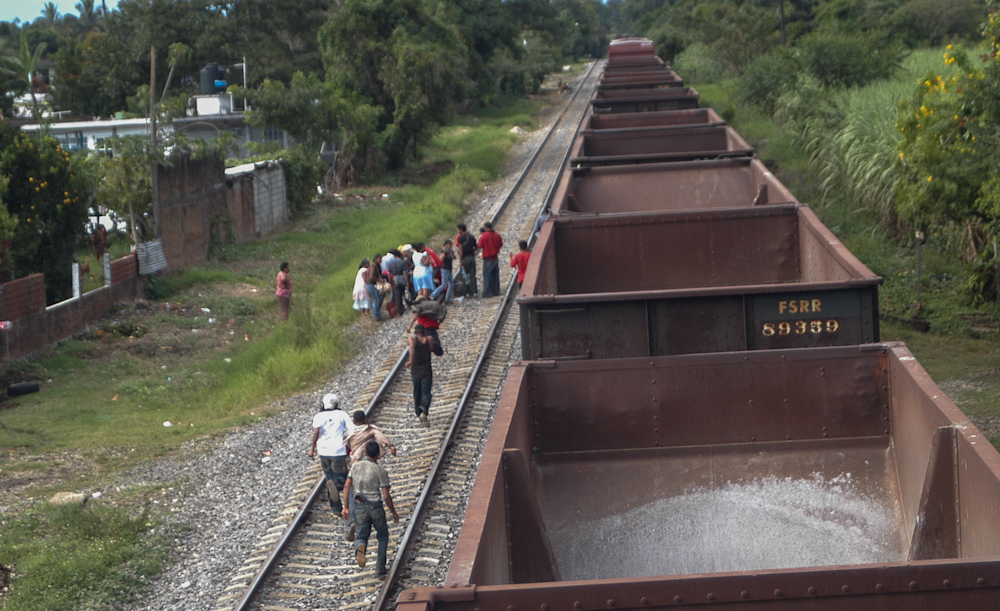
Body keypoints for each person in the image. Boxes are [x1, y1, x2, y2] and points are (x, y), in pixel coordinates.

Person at [342, 440, 399, 578]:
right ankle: (379, 569)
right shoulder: (380, 470)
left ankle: (360, 546)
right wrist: (393, 512)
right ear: (378, 454)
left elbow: (347, 486)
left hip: (359, 505)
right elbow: (386, 495)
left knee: (361, 536)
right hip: (375, 506)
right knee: (383, 536)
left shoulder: (355, 466)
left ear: (365, 452)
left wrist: (346, 507)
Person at [308, 393, 353, 518]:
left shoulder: (318, 416)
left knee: (329, 478)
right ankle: (343, 494)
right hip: (338, 451)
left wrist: (312, 449)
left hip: (323, 452)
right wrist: (348, 442)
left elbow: (316, 432)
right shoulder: (342, 414)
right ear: (336, 403)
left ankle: (335, 509)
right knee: (344, 478)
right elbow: (352, 430)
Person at [405, 323, 434, 427]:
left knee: (417, 392)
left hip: (415, 372)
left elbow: (412, 347)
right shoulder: (429, 339)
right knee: (426, 392)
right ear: (424, 332)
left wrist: (410, 361)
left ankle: (418, 413)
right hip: (426, 371)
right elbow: (430, 348)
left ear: (415, 332)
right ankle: (423, 411)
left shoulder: (412, 340)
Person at [477, 221, 503, 297]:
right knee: (495, 275)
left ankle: (487, 292)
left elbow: (479, 245)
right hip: (495, 257)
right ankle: (496, 291)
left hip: (488, 258)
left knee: (487, 275)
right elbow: (500, 244)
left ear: (486, 227)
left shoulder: (484, 235)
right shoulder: (497, 235)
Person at [384, 248, 409, 317]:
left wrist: (390, 282)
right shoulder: (402, 262)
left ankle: (400, 310)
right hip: (402, 277)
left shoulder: (390, 263)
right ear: (400, 255)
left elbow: (389, 273)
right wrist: (407, 282)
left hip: (395, 278)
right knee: (405, 292)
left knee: (398, 295)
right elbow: (405, 273)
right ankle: (409, 304)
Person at [455, 223, 478, 297]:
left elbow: (460, 249)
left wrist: (460, 260)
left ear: (461, 229)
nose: (458, 231)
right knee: (472, 275)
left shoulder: (461, 238)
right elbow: (476, 246)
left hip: (465, 258)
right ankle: (474, 291)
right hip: (471, 257)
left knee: (464, 275)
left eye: (458, 229)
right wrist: (474, 252)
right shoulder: (471, 236)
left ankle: (466, 292)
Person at [431, 239, 455, 303]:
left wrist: (452, 253)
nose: (448, 246)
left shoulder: (450, 252)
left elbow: (454, 257)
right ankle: (433, 294)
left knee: (451, 285)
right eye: (447, 245)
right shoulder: (443, 252)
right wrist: (444, 253)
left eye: (450, 245)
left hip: (449, 269)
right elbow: (440, 260)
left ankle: (448, 299)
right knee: (444, 285)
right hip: (445, 269)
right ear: (444, 245)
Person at [366, 254, 384, 321]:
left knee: (380, 297)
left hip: (374, 284)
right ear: (376, 258)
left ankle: (377, 312)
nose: (381, 260)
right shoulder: (373, 266)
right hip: (370, 284)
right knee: (376, 299)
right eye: (380, 258)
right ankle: (376, 316)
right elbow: (371, 276)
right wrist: (379, 280)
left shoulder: (377, 265)